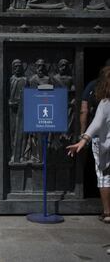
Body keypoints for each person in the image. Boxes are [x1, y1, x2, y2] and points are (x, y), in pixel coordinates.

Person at [67, 66, 110, 224]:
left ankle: (107, 212)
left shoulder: (104, 104)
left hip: (103, 143)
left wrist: (83, 140)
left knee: (104, 176)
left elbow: (95, 124)